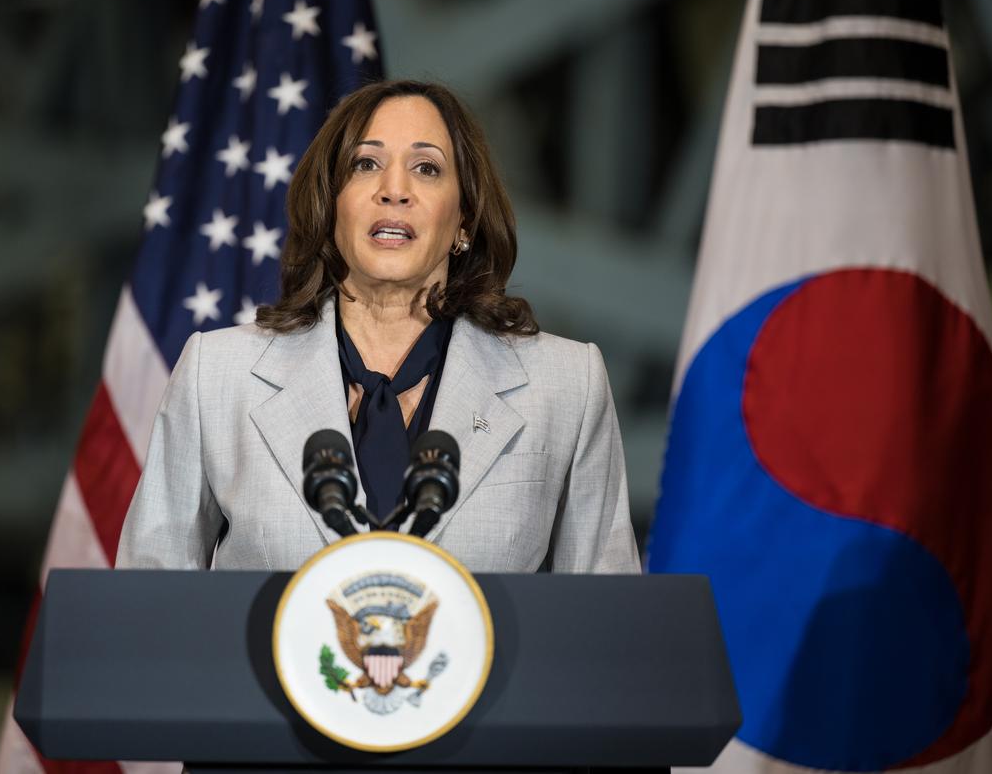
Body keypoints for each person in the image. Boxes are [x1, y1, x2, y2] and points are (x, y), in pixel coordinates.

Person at [116, 80, 640, 574]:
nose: (395, 189)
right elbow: (147, 603)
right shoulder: (217, 375)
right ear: (331, 206)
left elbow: (605, 626)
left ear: (464, 219)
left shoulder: (567, 383)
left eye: (427, 169)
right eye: (366, 164)